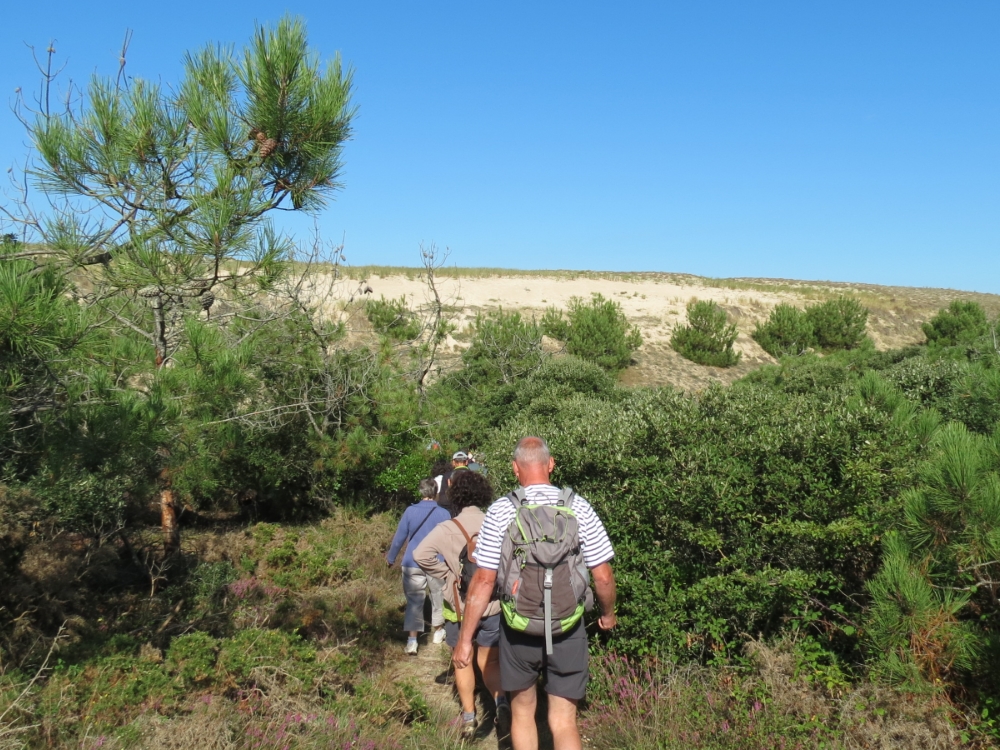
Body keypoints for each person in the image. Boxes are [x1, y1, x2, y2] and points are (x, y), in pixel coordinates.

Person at [454, 437, 617, 750]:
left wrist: (464, 640)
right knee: (564, 721)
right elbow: (603, 575)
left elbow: (484, 580)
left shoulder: (502, 510)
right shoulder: (579, 507)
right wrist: (608, 615)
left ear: (515, 468)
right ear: (551, 464)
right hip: (568, 627)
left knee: (522, 713)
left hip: (519, 629)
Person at [413, 470, 510, 740]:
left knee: (462, 661)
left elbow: (420, 554)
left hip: (459, 607)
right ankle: (501, 703)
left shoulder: (447, 528)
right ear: (484, 495)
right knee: (490, 663)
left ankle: (469, 718)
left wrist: (448, 575)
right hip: (492, 606)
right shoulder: (496, 524)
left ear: (454, 495)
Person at [386, 477, 451, 654]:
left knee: (414, 601)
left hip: (412, 561)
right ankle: (438, 631)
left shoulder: (410, 511)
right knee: (438, 597)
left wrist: (391, 557)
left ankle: (412, 640)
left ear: (420, 491)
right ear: (436, 492)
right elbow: (449, 541)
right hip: (436, 562)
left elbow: (399, 537)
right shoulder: (444, 514)